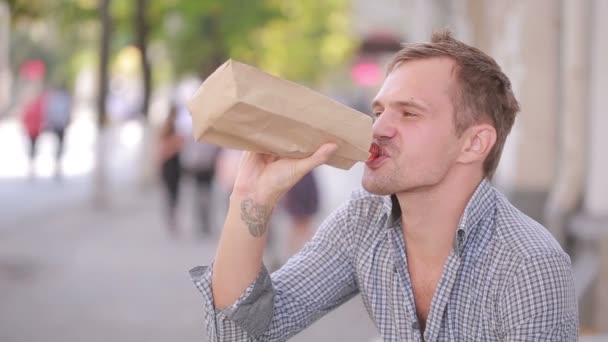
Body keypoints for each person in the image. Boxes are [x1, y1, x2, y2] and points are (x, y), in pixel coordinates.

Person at [189, 31, 578, 341]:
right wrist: (251, 197)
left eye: (409, 113)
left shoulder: (528, 266)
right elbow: (238, 333)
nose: (378, 129)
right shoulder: (364, 219)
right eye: (378, 111)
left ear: (473, 143)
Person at [157, 104, 184, 235]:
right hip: (171, 165)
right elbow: (164, 149)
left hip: (171, 166)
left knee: (172, 194)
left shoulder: (170, 128)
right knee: (172, 194)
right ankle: (171, 218)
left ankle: (171, 217)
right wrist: (177, 143)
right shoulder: (170, 128)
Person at [282, 170, 320, 256]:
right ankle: (291, 256)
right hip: (298, 193)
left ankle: (292, 256)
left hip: (302, 192)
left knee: (303, 227)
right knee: (300, 227)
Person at [45, 84, 72, 180]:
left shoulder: (55, 98)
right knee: (59, 143)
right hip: (59, 124)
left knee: (59, 143)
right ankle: (57, 161)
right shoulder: (63, 98)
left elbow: (49, 111)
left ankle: (58, 161)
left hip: (59, 124)